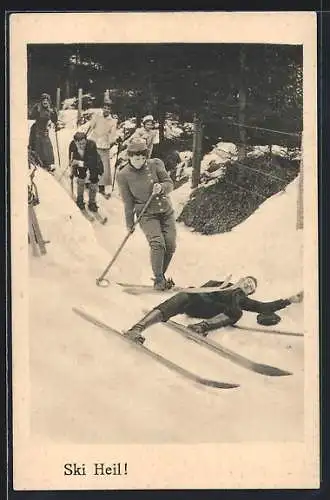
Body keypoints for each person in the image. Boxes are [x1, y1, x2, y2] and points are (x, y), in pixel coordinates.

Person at [123, 276, 304, 344]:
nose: (248, 285)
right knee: (185, 295)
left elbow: (265, 307)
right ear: (240, 280)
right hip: (198, 302)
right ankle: (137, 328)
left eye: (251, 287)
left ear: (251, 292)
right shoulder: (220, 283)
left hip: (210, 313)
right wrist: (189, 289)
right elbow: (202, 289)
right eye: (247, 281)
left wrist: (289, 300)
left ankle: (200, 327)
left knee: (237, 312)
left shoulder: (243, 300)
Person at [117, 137, 177, 291]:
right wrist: (129, 224)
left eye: (143, 156)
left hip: (166, 211)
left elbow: (169, 183)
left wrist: (161, 187)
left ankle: (161, 275)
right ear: (129, 156)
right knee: (158, 243)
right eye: (136, 156)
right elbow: (128, 203)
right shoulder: (123, 175)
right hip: (146, 214)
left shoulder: (155, 164)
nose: (140, 159)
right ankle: (158, 279)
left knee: (170, 245)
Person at [86, 101, 118, 198]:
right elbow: (91, 126)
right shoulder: (97, 116)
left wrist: (114, 140)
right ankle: (88, 181)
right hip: (94, 141)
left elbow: (112, 134)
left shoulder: (112, 121)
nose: (106, 110)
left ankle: (101, 186)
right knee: (92, 161)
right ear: (102, 108)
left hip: (104, 143)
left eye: (108, 108)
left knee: (104, 165)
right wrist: (86, 136)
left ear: (110, 110)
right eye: (105, 108)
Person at [68, 132, 103, 212]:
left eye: (83, 143)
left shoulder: (91, 145)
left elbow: (92, 163)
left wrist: (78, 162)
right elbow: (71, 159)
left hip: (94, 163)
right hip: (79, 161)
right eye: (79, 144)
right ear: (75, 142)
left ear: (86, 141)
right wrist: (73, 169)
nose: (82, 146)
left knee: (94, 179)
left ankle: (92, 202)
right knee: (81, 178)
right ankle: (80, 200)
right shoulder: (72, 145)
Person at [29, 93, 58, 172]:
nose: (45, 102)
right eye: (43, 100)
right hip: (36, 130)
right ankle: (37, 163)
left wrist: (54, 113)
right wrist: (36, 110)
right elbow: (31, 116)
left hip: (45, 131)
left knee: (47, 147)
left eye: (47, 100)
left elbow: (55, 120)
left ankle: (49, 164)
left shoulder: (50, 109)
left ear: (49, 101)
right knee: (37, 146)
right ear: (41, 101)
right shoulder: (38, 107)